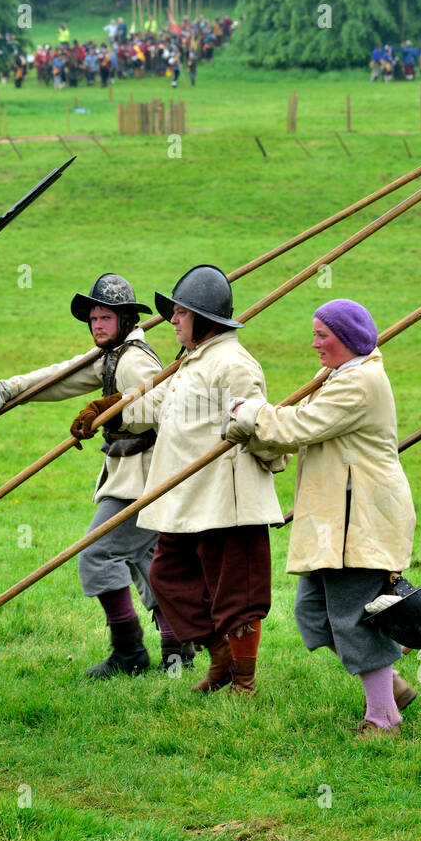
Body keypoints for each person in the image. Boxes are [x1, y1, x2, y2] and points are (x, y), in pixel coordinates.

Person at [0, 275, 194, 676]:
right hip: (133, 476)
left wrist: (111, 408)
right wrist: (4, 393)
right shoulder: (111, 355)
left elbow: (153, 410)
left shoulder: (134, 359)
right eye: (93, 318)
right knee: (147, 562)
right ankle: (179, 657)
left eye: (106, 317)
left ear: (124, 320)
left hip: (147, 479)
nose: (97, 325)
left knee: (96, 554)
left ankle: (129, 653)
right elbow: (60, 375)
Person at [225, 299, 418, 736]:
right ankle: (390, 687)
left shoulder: (361, 382)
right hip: (333, 519)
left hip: (359, 517)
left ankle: (383, 717)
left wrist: (251, 414)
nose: (313, 344)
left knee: (352, 615)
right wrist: (254, 433)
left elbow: (300, 427)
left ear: (347, 339)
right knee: (314, 614)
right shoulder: (334, 376)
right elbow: (295, 434)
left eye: (322, 335)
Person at [123, 266, 287, 695]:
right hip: (187, 499)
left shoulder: (234, 362)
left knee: (237, 595)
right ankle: (221, 659)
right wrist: (107, 411)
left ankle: (244, 683)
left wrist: (257, 440)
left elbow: (260, 425)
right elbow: (152, 409)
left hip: (228, 499)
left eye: (180, 312)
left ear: (205, 318)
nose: (172, 320)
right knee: (168, 577)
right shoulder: (190, 361)